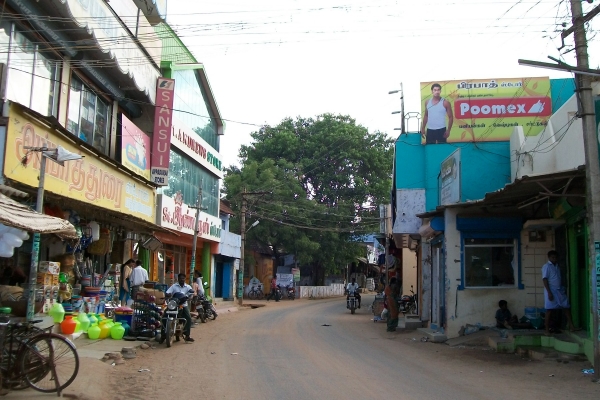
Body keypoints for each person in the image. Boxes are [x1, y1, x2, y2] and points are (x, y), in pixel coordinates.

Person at [542, 250, 579, 334]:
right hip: (551, 290)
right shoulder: (546, 266)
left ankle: (571, 326)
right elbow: (544, 279)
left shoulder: (557, 266)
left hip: (559, 290)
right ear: (549, 258)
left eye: (555, 258)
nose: (554, 259)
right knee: (549, 310)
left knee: (566, 307)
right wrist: (549, 292)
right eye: (552, 257)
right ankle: (547, 329)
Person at [165, 273, 194, 343]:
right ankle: (163, 335)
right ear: (178, 279)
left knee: (189, 318)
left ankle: (187, 336)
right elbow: (168, 292)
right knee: (164, 316)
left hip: (183, 305)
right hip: (174, 305)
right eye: (180, 278)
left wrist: (190, 297)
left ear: (185, 279)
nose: (182, 279)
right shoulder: (174, 286)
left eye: (183, 278)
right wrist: (168, 294)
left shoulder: (188, 287)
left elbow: (191, 294)